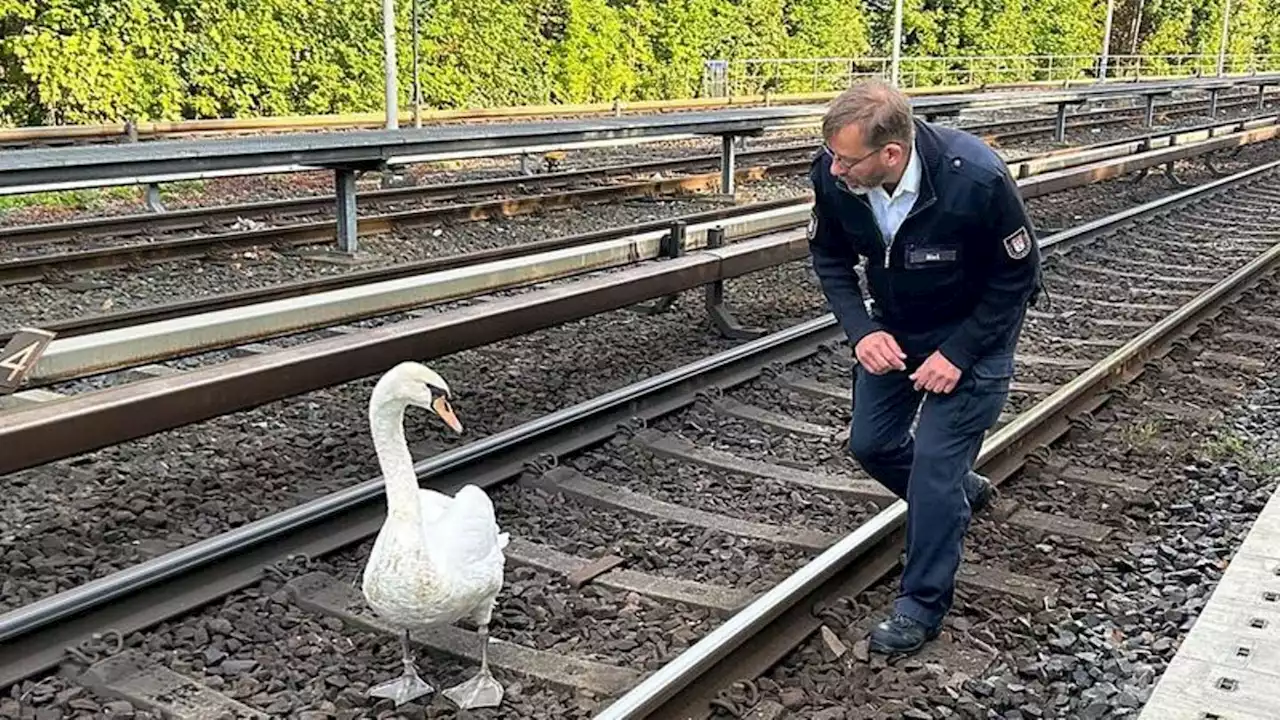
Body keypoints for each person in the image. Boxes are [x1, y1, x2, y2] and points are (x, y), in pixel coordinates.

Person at [807, 79, 1043, 655]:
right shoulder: (834, 175)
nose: (835, 169)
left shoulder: (976, 178)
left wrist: (958, 355)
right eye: (832, 155)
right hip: (897, 324)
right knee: (871, 443)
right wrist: (863, 332)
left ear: (891, 153)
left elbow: (1019, 276)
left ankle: (921, 604)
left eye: (847, 158)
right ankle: (958, 494)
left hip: (974, 334)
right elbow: (828, 255)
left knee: (934, 466)